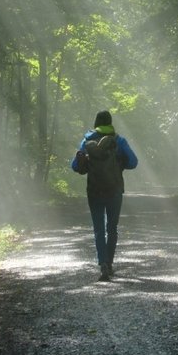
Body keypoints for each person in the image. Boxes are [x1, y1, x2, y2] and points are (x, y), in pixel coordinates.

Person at [70, 110, 139, 281]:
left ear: (95, 123)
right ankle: (109, 262)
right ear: (110, 123)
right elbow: (133, 162)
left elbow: (75, 166)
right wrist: (119, 162)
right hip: (114, 190)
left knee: (99, 229)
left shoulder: (87, 141)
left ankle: (102, 264)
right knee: (112, 228)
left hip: (94, 190)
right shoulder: (119, 140)